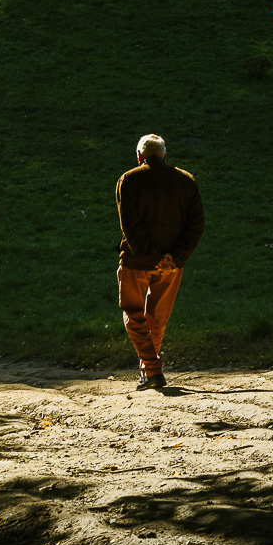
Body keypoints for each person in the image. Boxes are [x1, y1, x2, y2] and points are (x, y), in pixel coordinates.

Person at [116, 134, 205, 390]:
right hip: (171, 266)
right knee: (157, 318)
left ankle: (152, 370)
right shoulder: (186, 181)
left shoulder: (129, 180)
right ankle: (150, 371)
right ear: (165, 156)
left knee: (134, 314)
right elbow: (196, 224)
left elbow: (130, 227)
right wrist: (173, 258)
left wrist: (152, 256)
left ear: (139, 157)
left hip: (136, 260)